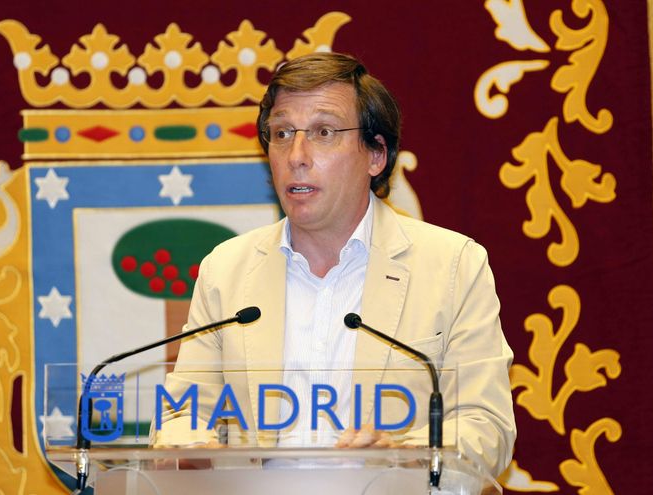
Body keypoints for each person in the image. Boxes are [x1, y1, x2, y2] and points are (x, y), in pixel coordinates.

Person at [153, 52, 516, 477]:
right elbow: (181, 417)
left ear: (376, 155)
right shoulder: (227, 270)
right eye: (282, 133)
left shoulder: (453, 266)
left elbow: (486, 427)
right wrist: (186, 440)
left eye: (323, 132)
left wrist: (403, 452)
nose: (296, 155)